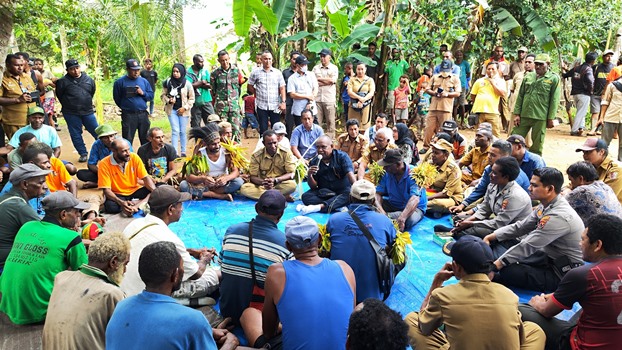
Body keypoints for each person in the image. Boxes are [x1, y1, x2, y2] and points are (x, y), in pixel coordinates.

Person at [405, 236, 545, 350]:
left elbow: (424, 327)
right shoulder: (509, 295)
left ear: (456, 267)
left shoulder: (442, 296)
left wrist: (436, 283)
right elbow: (519, 339)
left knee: (412, 319)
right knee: (534, 330)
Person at [106, 241, 238, 350]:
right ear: (175, 275)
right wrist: (229, 345)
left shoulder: (121, 306)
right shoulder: (193, 319)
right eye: (182, 270)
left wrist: (204, 332)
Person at [519, 213, 622, 350]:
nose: (580, 244)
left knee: (519, 309)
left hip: (580, 345)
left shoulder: (583, 274)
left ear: (597, 245)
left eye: (583, 239)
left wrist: (536, 303)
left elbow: (546, 311)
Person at [258, 216, 356, 349]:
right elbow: (350, 322)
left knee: (249, 315)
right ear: (320, 239)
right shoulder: (345, 268)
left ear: (288, 246)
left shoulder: (276, 273)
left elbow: (269, 332)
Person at [484, 167, 585, 292]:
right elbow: (521, 227)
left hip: (560, 270)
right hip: (545, 256)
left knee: (509, 271)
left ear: (549, 189)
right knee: (500, 244)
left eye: (534, 185)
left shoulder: (559, 216)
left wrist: (496, 266)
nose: (529, 188)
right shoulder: (546, 205)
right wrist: (492, 236)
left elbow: (528, 245)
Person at [0, 191, 88, 324]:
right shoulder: (71, 238)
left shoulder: (27, 226)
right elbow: (85, 273)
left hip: (8, 305)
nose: (78, 216)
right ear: (63, 214)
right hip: (39, 311)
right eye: (76, 212)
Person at [121, 186, 220, 300]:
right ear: (170, 209)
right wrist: (205, 259)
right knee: (216, 275)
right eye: (180, 205)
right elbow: (196, 273)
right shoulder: (170, 238)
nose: (182, 209)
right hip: (144, 294)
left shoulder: (134, 224)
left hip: (124, 288)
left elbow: (157, 248)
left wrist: (190, 252)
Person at [42, 232, 131, 350]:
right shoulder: (111, 294)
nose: (124, 270)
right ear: (113, 262)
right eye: (125, 264)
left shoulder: (62, 278)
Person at [219, 190, 291, 332]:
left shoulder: (231, 230)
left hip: (227, 311)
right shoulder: (285, 243)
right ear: (281, 215)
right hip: (260, 318)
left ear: (256, 208)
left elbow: (221, 265)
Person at [327, 180, 396, 303]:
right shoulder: (384, 221)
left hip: (337, 294)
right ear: (374, 201)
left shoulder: (334, 219)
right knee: (400, 254)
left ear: (350, 198)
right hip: (371, 300)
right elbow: (393, 247)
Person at [450, 157, 532, 239]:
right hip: (497, 223)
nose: (490, 175)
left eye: (494, 173)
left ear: (506, 177)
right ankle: (457, 231)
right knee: (459, 219)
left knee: (472, 231)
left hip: (510, 231)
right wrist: (468, 220)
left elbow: (499, 223)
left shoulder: (515, 196)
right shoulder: (493, 185)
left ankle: (455, 232)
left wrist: (470, 223)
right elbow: (485, 208)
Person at [449, 139, 531, 214]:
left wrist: (470, 213)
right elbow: (480, 189)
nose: (488, 157)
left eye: (493, 155)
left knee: (470, 212)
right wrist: (462, 205)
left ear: (505, 157)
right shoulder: (489, 168)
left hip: (507, 210)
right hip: (491, 200)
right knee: (466, 204)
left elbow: (497, 205)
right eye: (489, 154)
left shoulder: (514, 177)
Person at [0, 164, 49, 270]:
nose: (45, 186)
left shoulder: (8, 198)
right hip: (5, 266)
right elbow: (48, 233)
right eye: (40, 183)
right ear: (25, 184)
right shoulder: (18, 206)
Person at [512, 53, 561, 155]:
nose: (538, 66)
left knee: (537, 144)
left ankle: (535, 166)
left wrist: (550, 118)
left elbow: (554, 100)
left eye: (541, 64)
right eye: (537, 64)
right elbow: (520, 95)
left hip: (540, 116)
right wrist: (517, 113)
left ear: (548, 64)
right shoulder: (528, 76)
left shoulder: (553, 78)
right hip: (524, 114)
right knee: (514, 139)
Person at [180, 126, 243, 201]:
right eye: (213, 144)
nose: (217, 146)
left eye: (218, 143)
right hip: (204, 185)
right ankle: (220, 196)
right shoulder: (200, 153)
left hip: (221, 185)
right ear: (206, 144)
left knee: (238, 182)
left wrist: (226, 178)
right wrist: (203, 178)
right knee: (183, 185)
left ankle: (207, 194)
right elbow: (189, 177)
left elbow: (236, 171)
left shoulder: (226, 152)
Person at [298, 135, 355, 214]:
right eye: (317, 147)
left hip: (342, 190)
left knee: (350, 195)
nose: (320, 150)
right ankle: (337, 204)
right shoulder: (314, 162)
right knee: (306, 197)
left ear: (332, 146)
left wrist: (357, 188)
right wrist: (310, 175)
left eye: (323, 147)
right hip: (325, 193)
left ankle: (320, 207)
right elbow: (313, 187)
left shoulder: (342, 157)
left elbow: (350, 174)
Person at [55, 59, 98, 162]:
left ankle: (104, 149)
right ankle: (82, 153)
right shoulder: (62, 82)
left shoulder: (88, 79)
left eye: (77, 68)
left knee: (97, 131)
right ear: (67, 70)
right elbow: (60, 95)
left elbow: (91, 92)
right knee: (75, 133)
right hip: (71, 112)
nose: (75, 71)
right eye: (72, 69)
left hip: (87, 111)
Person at [98, 139, 156, 215]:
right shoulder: (104, 164)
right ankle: (141, 202)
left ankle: (136, 203)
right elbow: (107, 190)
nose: (128, 153)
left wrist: (155, 192)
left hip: (135, 189)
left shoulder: (134, 157)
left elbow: (145, 178)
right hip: (119, 194)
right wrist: (121, 202)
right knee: (111, 207)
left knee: (159, 188)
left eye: (128, 150)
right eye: (124, 151)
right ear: (114, 151)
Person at [376, 149, 427, 230]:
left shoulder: (414, 174)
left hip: (414, 209)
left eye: (387, 166)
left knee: (409, 220)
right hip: (393, 204)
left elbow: (415, 199)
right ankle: (384, 218)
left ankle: (384, 218)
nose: (384, 168)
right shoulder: (386, 173)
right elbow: (378, 193)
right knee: (369, 206)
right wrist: (380, 210)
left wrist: (402, 218)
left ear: (398, 164)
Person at [240, 130, 297, 201]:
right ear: (264, 143)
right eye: (269, 144)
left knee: (292, 185)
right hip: (262, 185)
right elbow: (253, 177)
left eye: (275, 143)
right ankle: (280, 196)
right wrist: (265, 183)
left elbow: (291, 173)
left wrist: (275, 180)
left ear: (278, 141)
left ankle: (267, 196)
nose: (273, 146)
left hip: (279, 183)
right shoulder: (256, 156)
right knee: (244, 188)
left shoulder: (286, 152)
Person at [422, 59, 461, 153]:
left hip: (446, 108)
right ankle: (426, 146)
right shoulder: (435, 77)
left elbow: (458, 93)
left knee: (445, 129)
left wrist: (447, 94)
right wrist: (435, 93)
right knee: (429, 128)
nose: (444, 72)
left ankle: (444, 146)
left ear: (451, 68)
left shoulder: (455, 79)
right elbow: (427, 89)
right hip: (434, 106)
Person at [76, 124, 133, 188]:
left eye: (111, 136)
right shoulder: (97, 144)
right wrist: (102, 172)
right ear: (100, 139)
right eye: (106, 137)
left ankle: (99, 184)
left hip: (122, 171)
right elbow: (91, 164)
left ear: (115, 135)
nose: (110, 140)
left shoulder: (124, 143)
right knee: (81, 173)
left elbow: (129, 161)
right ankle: (108, 183)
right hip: (105, 171)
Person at [112, 59, 154, 145]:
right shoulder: (119, 82)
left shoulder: (144, 81)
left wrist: (142, 93)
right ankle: (128, 157)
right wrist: (127, 107)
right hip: (128, 115)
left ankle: (144, 157)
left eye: (138, 70)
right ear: (127, 69)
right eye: (133, 70)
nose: (136, 72)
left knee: (146, 139)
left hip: (143, 114)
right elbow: (117, 98)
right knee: (127, 140)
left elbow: (151, 96)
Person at [248, 50, 287, 135]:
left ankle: (276, 146)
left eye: (269, 59)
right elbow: (250, 86)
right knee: (263, 129)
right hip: (261, 105)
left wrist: (283, 102)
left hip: (275, 106)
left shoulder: (277, 73)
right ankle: (264, 146)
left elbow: (282, 88)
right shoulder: (255, 72)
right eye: (265, 59)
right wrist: (257, 93)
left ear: (272, 60)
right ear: (261, 60)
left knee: (276, 128)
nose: (268, 61)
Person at [0, 53, 37, 140]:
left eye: (22, 65)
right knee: (18, 147)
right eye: (16, 65)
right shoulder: (2, 79)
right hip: (14, 121)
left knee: (33, 147)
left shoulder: (27, 77)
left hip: (32, 119)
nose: (20, 68)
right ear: (8, 65)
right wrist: (17, 100)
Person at [162, 63, 194, 156]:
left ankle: (183, 151)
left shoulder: (187, 84)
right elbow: (163, 95)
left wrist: (185, 108)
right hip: (171, 110)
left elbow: (192, 98)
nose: (175, 73)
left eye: (177, 71)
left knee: (182, 131)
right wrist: (169, 100)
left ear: (182, 72)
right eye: (174, 71)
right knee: (175, 130)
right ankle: (174, 152)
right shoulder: (168, 82)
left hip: (183, 111)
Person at [575, 137, 622, 202]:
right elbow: (573, 183)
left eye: (588, 152)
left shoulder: (616, 169)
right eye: (584, 152)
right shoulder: (591, 165)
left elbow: (607, 197)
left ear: (601, 152)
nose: (584, 155)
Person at [211, 50, 243, 140]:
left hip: (234, 106)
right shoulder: (215, 74)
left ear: (229, 59)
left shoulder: (236, 71)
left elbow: (239, 87)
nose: (225, 62)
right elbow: (213, 90)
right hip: (221, 108)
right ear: (218, 61)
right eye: (222, 60)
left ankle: (236, 152)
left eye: (226, 60)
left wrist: (236, 101)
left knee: (236, 130)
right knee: (222, 131)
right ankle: (223, 153)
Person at [426, 139, 464, 216]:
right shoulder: (432, 163)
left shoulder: (453, 169)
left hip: (451, 197)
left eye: (436, 153)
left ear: (446, 155)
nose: (433, 155)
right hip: (433, 193)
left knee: (437, 204)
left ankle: (422, 206)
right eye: (433, 152)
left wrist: (425, 199)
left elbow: (446, 193)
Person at [562, 52, 596, 136]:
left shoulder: (576, 68)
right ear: (593, 61)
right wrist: (591, 91)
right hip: (584, 94)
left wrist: (564, 71)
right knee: (581, 112)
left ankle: (581, 127)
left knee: (581, 111)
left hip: (575, 94)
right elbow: (590, 81)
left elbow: (566, 75)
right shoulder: (588, 69)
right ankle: (574, 130)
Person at [470, 62, 507, 137]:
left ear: (497, 70)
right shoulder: (479, 81)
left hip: (492, 112)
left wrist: (493, 83)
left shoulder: (500, 81)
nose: (490, 71)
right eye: (488, 69)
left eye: (493, 69)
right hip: (479, 111)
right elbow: (473, 95)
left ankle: (496, 148)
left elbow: (502, 94)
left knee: (495, 134)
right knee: (479, 133)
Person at [313, 48, 338, 138]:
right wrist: (327, 81)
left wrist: (318, 79)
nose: (322, 58)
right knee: (317, 123)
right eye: (321, 56)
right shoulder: (316, 68)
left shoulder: (334, 68)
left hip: (329, 99)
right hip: (317, 99)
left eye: (324, 56)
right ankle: (318, 141)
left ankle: (331, 142)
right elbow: (313, 82)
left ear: (329, 57)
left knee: (330, 123)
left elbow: (332, 81)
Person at [287, 54, 318, 128]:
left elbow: (315, 89)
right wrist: (307, 96)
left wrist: (310, 101)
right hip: (299, 109)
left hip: (311, 107)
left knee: (315, 128)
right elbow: (292, 94)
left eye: (306, 64)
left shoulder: (311, 75)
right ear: (297, 65)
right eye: (303, 64)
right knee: (301, 129)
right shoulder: (292, 78)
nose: (305, 66)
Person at [597, 73, 622, 161]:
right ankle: (602, 164)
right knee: (604, 143)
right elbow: (605, 101)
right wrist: (601, 117)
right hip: (611, 116)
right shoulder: (612, 85)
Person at [186, 54, 215, 128]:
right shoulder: (188, 73)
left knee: (212, 121)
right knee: (196, 123)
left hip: (206, 99)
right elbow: (189, 86)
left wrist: (197, 84)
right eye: (200, 62)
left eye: (203, 61)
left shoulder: (205, 71)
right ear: (194, 62)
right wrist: (202, 82)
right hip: (194, 102)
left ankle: (211, 139)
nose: (202, 64)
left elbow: (210, 85)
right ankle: (198, 139)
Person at [347, 62, 376, 130]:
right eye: (358, 69)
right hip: (353, 105)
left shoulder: (370, 80)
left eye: (362, 69)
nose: (360, 71)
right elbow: (350, 92)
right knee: (352, 126)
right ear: (356, 70)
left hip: (366, 105)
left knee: (364, 127)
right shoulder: (352, 80)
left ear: (365, 69)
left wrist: (364, 99)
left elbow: (371, 92)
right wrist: (360, 98)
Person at [33, 58, 58, 128]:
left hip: (48, 96)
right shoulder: (33, 73)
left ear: (43, 65)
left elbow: (54, 83)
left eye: (39, 64)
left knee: (48, 115)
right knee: (41, 115)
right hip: (39, 97)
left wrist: (48, 82)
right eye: (36, 64)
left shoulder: (47, 73)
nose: (38, 66)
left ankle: (53, 132)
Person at [384, 48, 409, 117]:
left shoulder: (403, 62)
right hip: (391, 87)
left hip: (402, 88)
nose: (395, 54)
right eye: (394, 52)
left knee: (400, 105)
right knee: (391, 106)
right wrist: (385, 89)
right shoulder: (389, 63)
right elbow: (386, 76)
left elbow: (409, 71)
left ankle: (398, 120)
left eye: (397, 52)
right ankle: (393, 120)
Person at [283, 51, 300, 135]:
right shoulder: (285, 73)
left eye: (297, 59)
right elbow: (282, 88)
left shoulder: (303, 73)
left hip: (300, 103)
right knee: (289, 125)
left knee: (300, 125)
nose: (295, 61)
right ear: (290, 60)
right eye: (294, 59)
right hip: (289, 102)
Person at [453, 50, 471, 126]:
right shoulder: (453, 64)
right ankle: (455, 121)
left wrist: (464, 80)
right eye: (457, 55)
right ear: (455, 56)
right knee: (454, 105)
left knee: (462, 104)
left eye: (460, 55)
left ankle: (462, 121)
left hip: (462, 86)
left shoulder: (465, 63)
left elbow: (468, 73)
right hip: (454, 86)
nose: (459, 56)